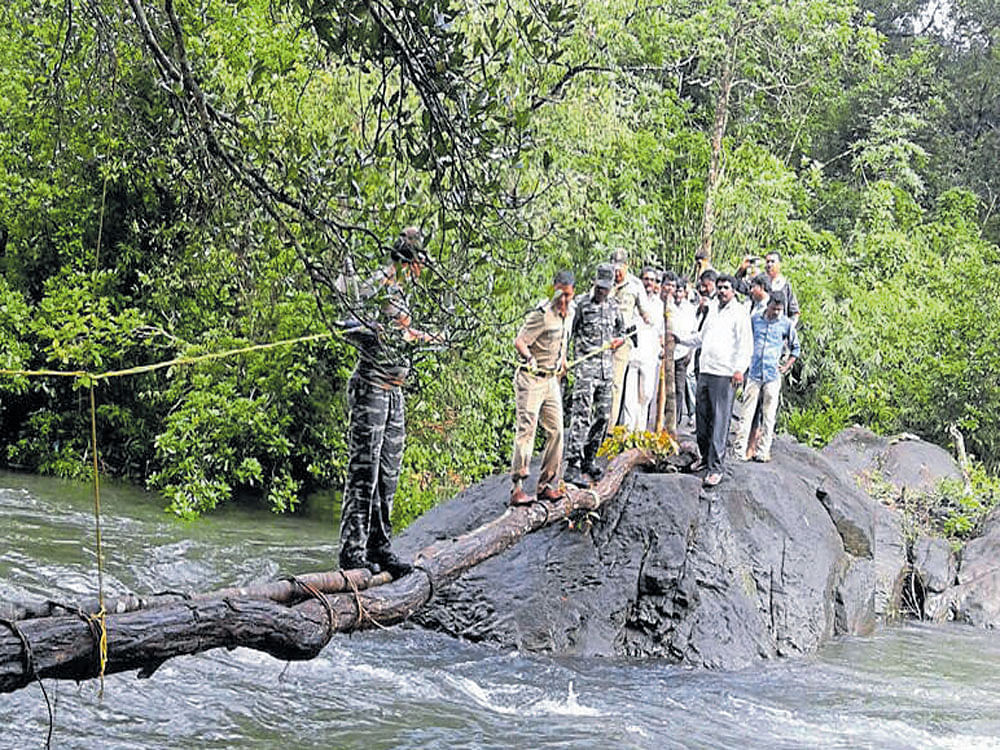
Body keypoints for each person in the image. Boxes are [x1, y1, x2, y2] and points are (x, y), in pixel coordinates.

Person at [338, 226, 434, 577]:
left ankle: (380, 547)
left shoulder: (404, 290)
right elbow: (344, 319)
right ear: (410, 260)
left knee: (388, 474)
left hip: (394, 392)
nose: (422, 268)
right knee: (365, 473)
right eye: (419, 260)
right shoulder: (380, 283)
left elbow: (404, 332)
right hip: (371, 389)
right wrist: (373, 329)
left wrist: (422, 336)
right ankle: (352, 552)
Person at [675, 274, 752, 487]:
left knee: (720, 421)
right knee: (702, 418)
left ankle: (716, 467)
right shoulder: (712, 310)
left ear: (734, 290)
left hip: (725, 374)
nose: (722, 291)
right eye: (719, 287)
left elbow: (745, 345)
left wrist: (739, 370)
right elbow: (701, 337)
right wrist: (680, 339)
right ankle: (704, 457)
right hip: (706, 371)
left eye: (726, 287)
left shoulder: (739, 313)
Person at [510, 270, 576, 505]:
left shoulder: (570, 313)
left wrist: (563, 362)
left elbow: (563, 340)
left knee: (557, 431)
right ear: (553, 289)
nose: (563, 299)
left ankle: (546, 484)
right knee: (526, 430)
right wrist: (529, 357)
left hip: (551, 380)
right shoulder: (542, 314)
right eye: (560, 294)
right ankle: (517, 487)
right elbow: (520, 341)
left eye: (567, 295)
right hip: (531, 378)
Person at [564, 263, 624, 486]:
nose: (602, 292)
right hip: (586, 368)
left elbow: (621, 331)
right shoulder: (580, 303)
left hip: (606, 369)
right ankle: (572, 464)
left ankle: (590, 458)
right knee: (581, 415)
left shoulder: (614, 306)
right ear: (594, 283)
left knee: (604, 416)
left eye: (606, 289)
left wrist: (620, 340)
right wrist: (564, 360)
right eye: (600, 288)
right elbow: (568, 333)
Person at [736, 292, 800, 462]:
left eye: (780, 310)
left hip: (772, 374)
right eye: (774, 308)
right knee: (746, 413)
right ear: (768, 304)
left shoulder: (785, 324)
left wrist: (786, 366)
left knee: (769, 415)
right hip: (754, 372)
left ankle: (763, 451)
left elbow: (796, 348)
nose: (776, 312)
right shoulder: (756, 319)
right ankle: (739, 450)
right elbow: (745, 340)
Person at [608, 249, 653, 430]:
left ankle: (609, 429)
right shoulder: (604, 281)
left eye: (620, 268)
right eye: (614, 268)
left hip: (622, 340)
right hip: (603, 339)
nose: (617, 272)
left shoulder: (635, 285)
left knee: (615, 385)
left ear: (627, 266)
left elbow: (645, 312)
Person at [622, 267, 664, 431]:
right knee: (629, 398)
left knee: (645, 395)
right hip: (632, 354)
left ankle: (640, 433)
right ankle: (627, 433)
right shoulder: (631, 301)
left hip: (649, 356)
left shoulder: (659, 305)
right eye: (646, 279)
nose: (648, 283)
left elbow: (661, 331)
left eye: (652, 280)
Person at [668, 275, 698, 427]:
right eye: (676, 292)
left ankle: (676, 421)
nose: (678, 295)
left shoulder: (690, 310)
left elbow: (694, 333)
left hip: (682, 354)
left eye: (680, 292)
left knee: (679, 389)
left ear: (685, 292)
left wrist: (690, 353)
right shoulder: (668, 306)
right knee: (666, 388)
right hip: (667, 354)